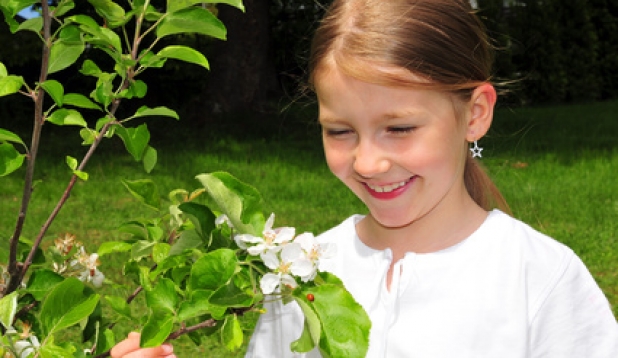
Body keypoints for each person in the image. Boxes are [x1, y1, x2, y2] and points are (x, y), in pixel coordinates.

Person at [112, 0, 618, 357]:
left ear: (475, 114)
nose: (368, 163)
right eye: (340, 131)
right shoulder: (299, 274)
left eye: (399, 128)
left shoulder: (540, 279)